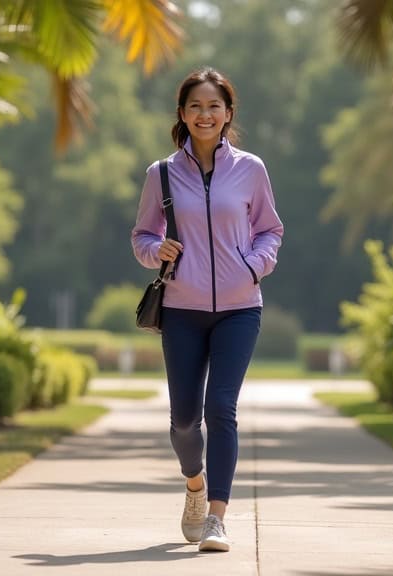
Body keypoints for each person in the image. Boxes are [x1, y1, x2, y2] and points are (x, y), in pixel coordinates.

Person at [131, 67, 284, 552]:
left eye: (214, 106)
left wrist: (253, 266)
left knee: (222, 409)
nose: (205, 114)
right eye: (195, 106)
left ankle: (217, 516)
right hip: (181, 309)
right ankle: (194, 485)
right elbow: (141, 235)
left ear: (228, 113)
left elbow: (270, 230)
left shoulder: (251, 169)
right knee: (182, 421)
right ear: (182, 114)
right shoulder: (161, 174)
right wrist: (157, 250)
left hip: (241, 307)